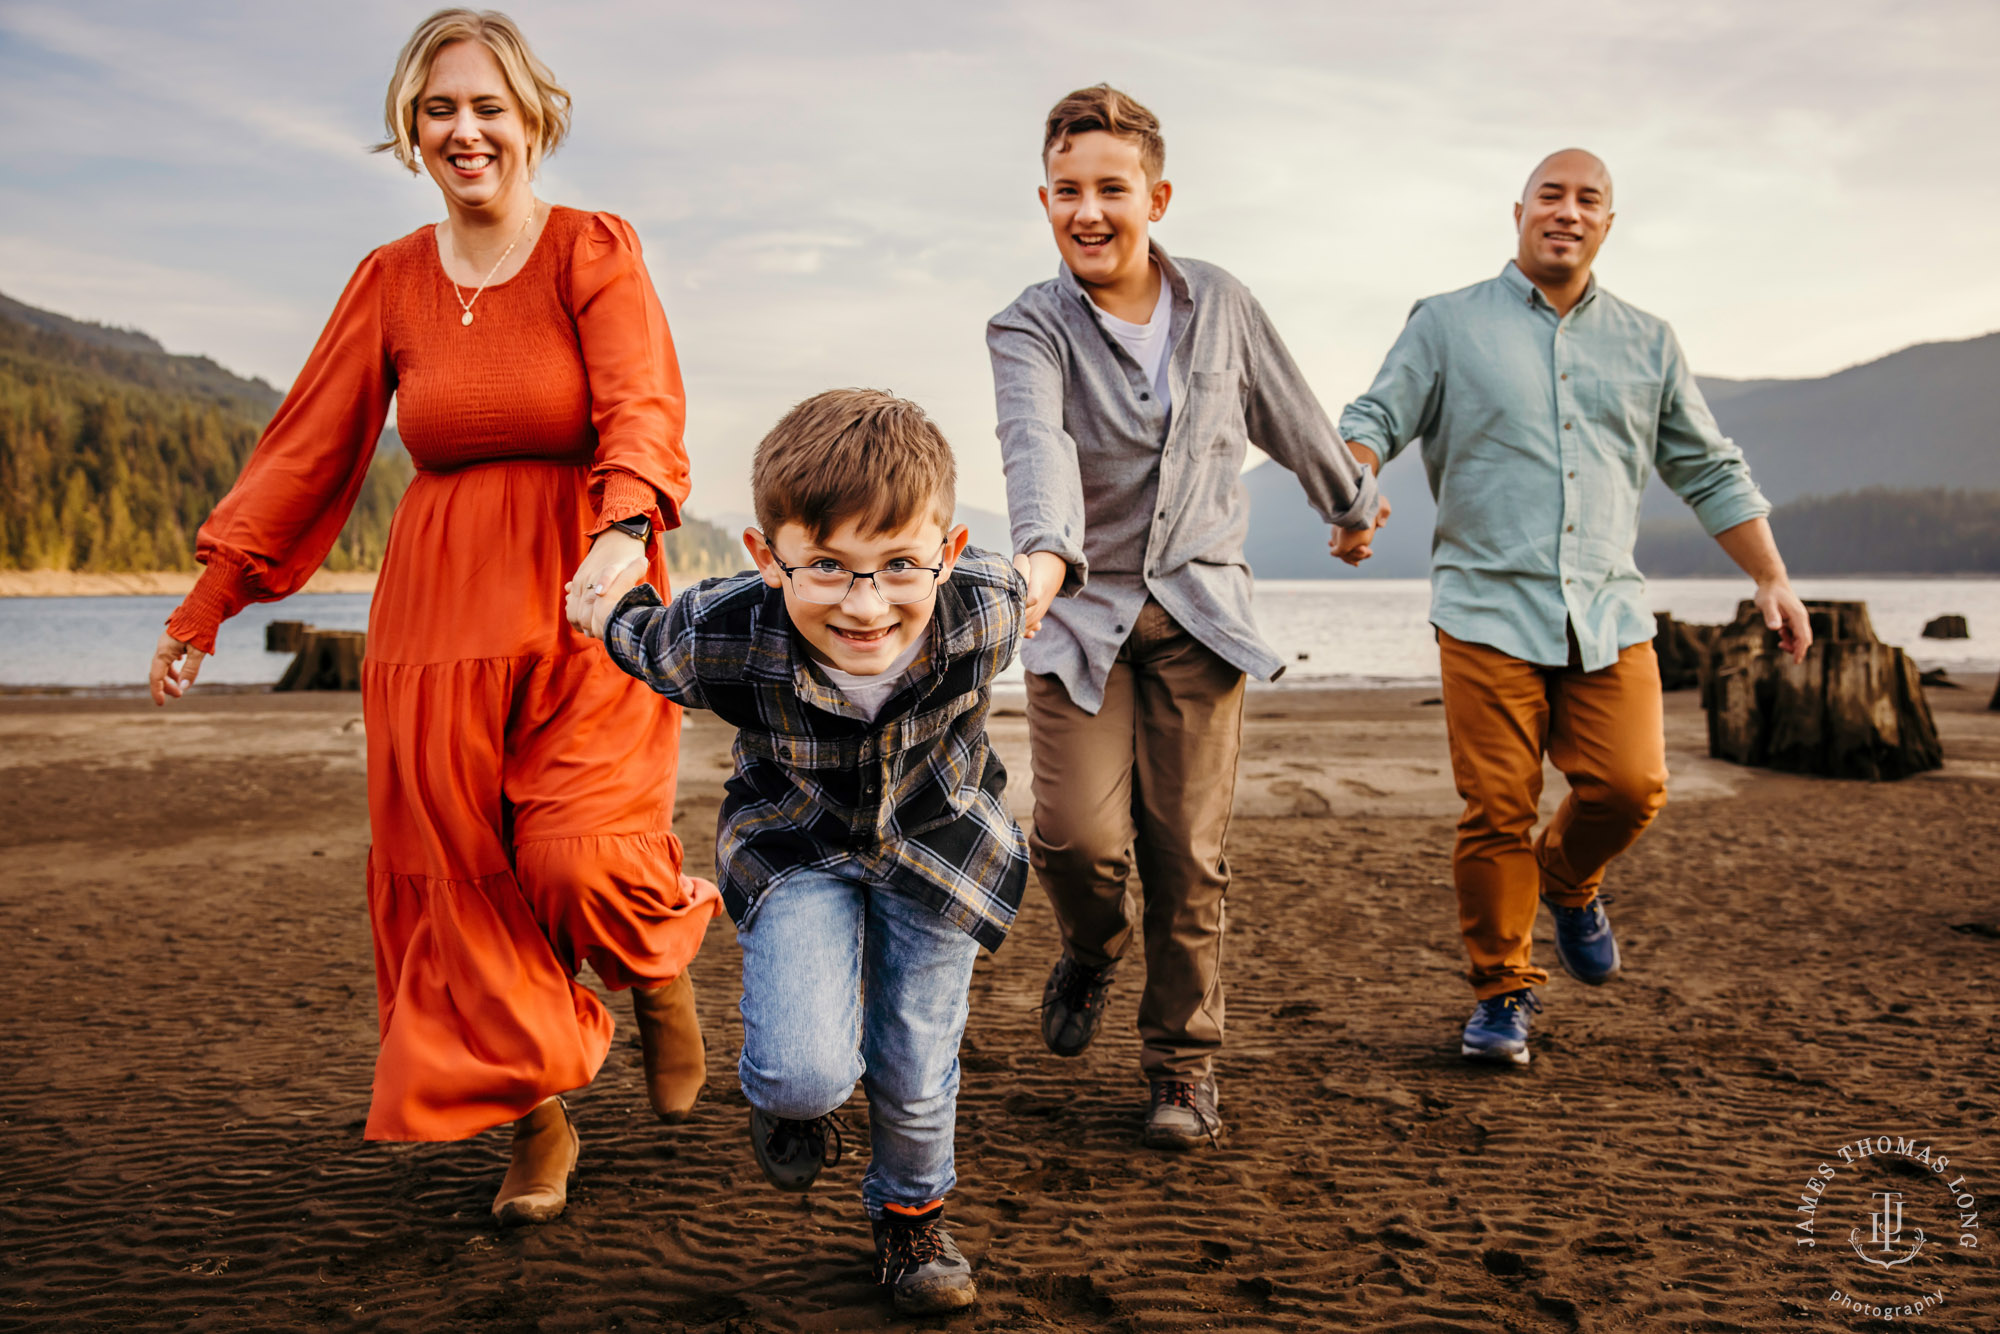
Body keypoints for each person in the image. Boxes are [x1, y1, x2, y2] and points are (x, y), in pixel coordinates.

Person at [145, 8, 720, 1224]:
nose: (465, 131)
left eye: (487, 108)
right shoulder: (389, 279)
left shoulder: (588, 249)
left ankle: (655, 971)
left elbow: (641, 398)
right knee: (452, 882)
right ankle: (536, 1121)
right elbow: (308, 445)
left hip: (587, 596)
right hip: (435, 609)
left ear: (533, 121)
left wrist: (626, 527)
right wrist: (212, 598)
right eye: (438, 110)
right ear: (412, 132)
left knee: (577, 855)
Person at [1338, 148, 1812, 1066]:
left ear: (1608, 222)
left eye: (1587, 199)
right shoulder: (1445, 324)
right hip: (1482, 607)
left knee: (1633, 787)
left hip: (1607, 609)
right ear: (1517, 211)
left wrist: (1771, 576)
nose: (1567, 211)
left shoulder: (1649, 341)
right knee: (1496, 810)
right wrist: (1353, 495)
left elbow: (1708, 467)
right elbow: (1373, 419)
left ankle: (1569, 881)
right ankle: (1502, 996)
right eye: (1550, 196)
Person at [988, 85, 1383, 1150]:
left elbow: (1292, 417)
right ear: (1044, 197)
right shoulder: (1027, 325)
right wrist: (1036, 561)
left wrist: (1349, 510)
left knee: (1189, 854)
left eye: (1110, 189)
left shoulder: (1219, 302)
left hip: (1204, 616)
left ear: (1154, 196)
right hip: (1077, 613)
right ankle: (1090, 946)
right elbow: (1037, 446)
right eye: (1066, 191)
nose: (1088, 210)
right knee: (1074, 840)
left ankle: (1181, 1067)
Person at [582, 389, 1029, 1315]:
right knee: (802, 1071)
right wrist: (602, 595)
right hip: (796, 843)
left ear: (948, 554)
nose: (865, 605)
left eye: (899, 565)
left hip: (939, 842)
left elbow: (1040, 575)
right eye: (826, 566)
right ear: (766, 557)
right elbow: (637, 634)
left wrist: (1054, 559)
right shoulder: (724, 631)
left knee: (913, 1058)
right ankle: (790, 1101)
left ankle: (911, 1217)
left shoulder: (983, 612)